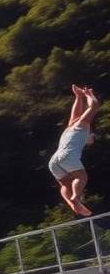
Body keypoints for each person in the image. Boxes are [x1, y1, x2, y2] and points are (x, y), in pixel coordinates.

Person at [50, 85, 100, 216]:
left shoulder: (71, 127)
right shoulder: (83, 125)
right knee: (82, 177)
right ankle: (75, 198)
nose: (92, 136)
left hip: (54, 160)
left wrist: (78, 97)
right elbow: (94, 106)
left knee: (65, 185)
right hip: (68, 155)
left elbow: (74, 114)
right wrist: (89, 95)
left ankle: (71, 203)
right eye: (92, 134)